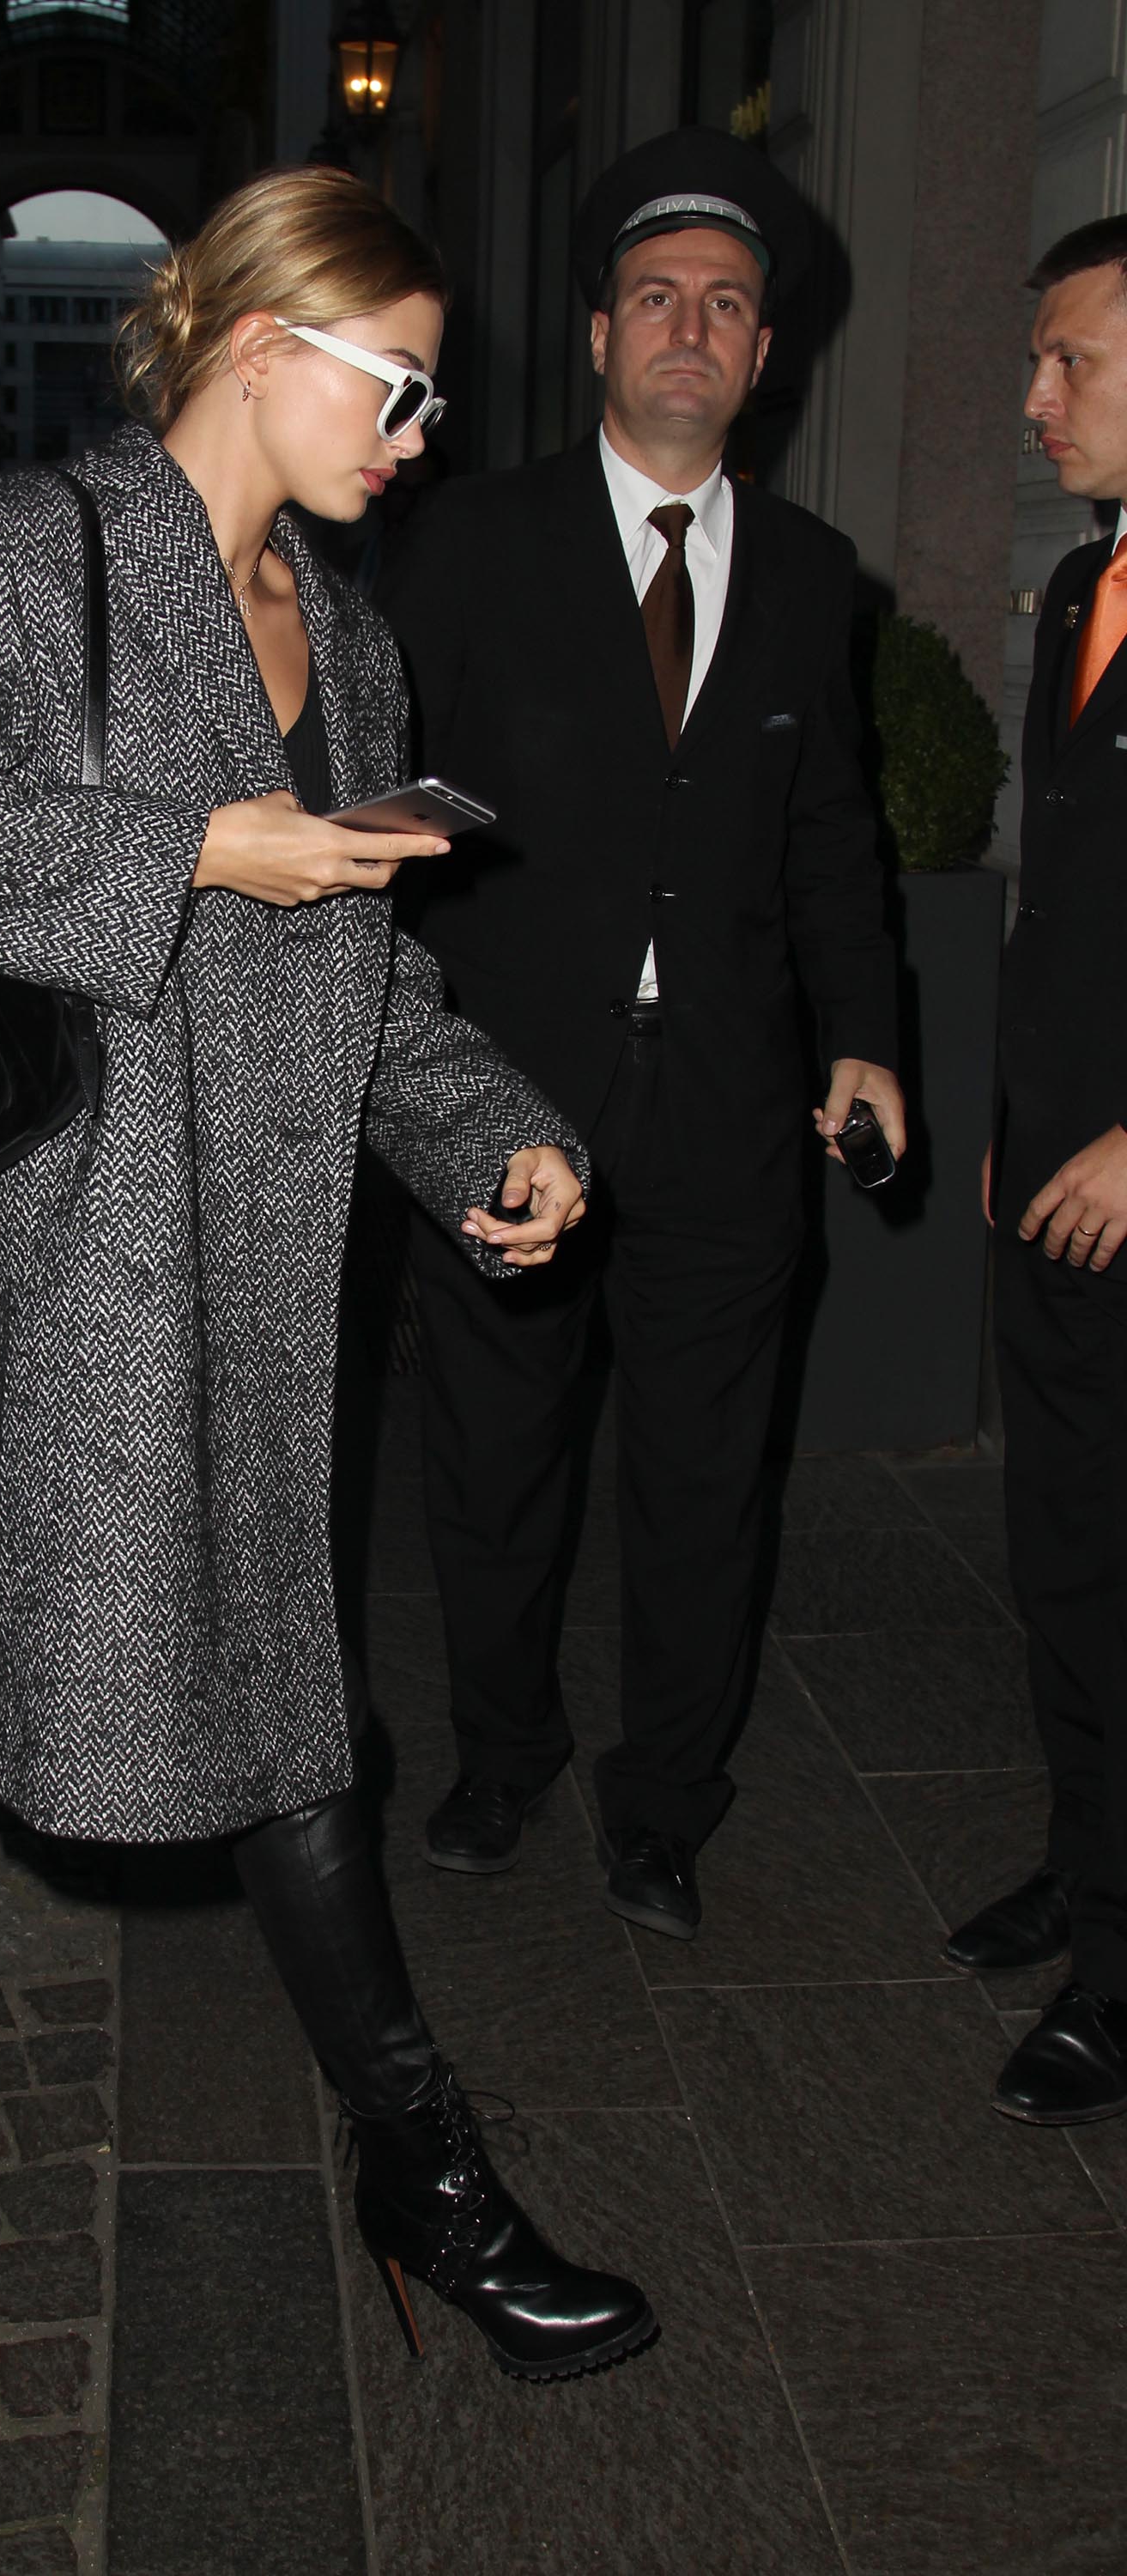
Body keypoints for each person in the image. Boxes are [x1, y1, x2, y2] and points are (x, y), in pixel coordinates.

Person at [0, 166, 655, 2382]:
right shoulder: (26, 552)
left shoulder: (352, 641)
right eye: (399, 384)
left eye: (432, 397)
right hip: (84, 1265)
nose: (423, 431)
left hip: (268, 1274)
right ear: (264, 344)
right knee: (282, 1719)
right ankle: (423, 2172)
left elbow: (372, 981)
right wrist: (181, 846)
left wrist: (494, 1130)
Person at [379, 130, 903, 1935]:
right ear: (600, 335)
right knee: (494, 1456)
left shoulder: (816, 574)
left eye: (727, 304)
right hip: (507, 1089)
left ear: (764, 352)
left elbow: (831, 831)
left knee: (705, 1480)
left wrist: (865, 1034)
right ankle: (500, 1753)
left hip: (733, 1111)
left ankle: (665, 1799)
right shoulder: (469, 542)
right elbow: (385, 802)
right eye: (657, 297)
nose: (692, 327)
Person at [946, 216, 1127, 2126]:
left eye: (1071, 358)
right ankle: (1092, 1871)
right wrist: (1025, 1108)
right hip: (1058, 1176)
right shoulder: (1083, 584)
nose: (1034, 398)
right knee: (1065, 1555)